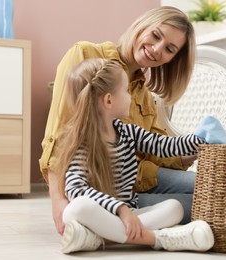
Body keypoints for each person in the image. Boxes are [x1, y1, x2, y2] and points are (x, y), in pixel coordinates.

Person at [39, 6, 198, 236]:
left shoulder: (144, 93)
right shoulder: (85, 54)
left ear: (172, 59)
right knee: (198, 201)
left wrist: (201, 145)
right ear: (142, 26)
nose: (156, 49)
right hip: (98, 186)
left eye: (169, 49)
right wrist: (58, 200)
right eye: (155, 35)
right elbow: (58, 134)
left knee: (209, 189)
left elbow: (158, 147)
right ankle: (147, 234)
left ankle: (119, 230)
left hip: (135, 181)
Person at [56, 58, 214, 254]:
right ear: (108, 100)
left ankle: (98, 238)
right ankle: (158, 239)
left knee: (175, 207)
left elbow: (164, 145)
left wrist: (202, 140)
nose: (130, 96)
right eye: (126, 90)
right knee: (75, 209)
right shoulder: (82, 143)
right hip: (105, 213)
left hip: (131, 213)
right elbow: (76, 189)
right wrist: (120, 209)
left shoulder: (127, 132)